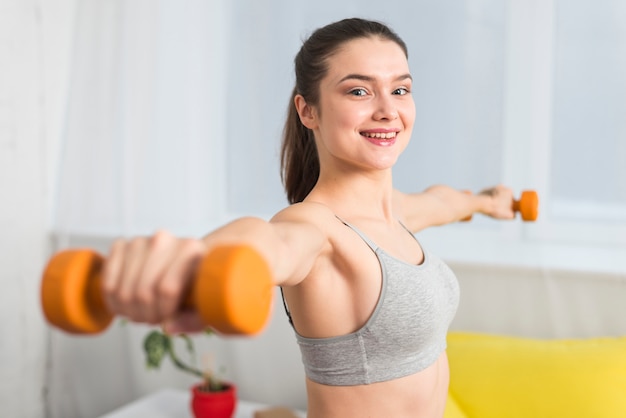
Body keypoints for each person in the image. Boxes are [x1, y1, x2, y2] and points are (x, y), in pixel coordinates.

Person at [102, 17, 516, 418]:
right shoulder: (317, 230)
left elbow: (443, 202)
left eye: (401, 89)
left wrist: (488, 202)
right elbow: (269, 242)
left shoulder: (398, 213)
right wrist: (193, 261)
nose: (388, 110)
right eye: (359, 92)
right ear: (308, 111)